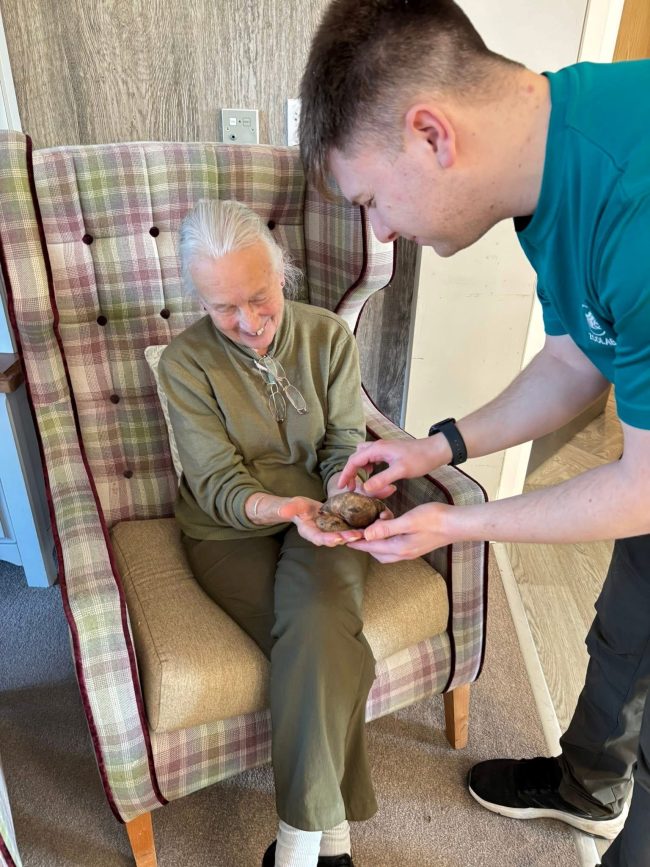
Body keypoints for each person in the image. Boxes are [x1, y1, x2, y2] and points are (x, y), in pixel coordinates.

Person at [298, 2, 650, 866]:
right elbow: (576, 360)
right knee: (627, 629)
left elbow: (643, 486)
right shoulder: (551, 159)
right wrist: (438, 448)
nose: (378, 230)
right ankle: (588, 784)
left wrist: (458, 520)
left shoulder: (634, 204)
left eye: (371, 198)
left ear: (431, 134)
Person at [158, 199, 387, 867]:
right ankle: (332, 841)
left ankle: (295, 847)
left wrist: (344, 501)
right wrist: (286, 511)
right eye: (224, 307)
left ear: (280, 273)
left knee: (316, 626)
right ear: (198, 298)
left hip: (323, 515)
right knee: (328, 647)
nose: (249, 323)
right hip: (228, 533)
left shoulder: (327, 337)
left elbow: (345, 442)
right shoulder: (183, 364)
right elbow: (220, 484)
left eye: (260, 297)